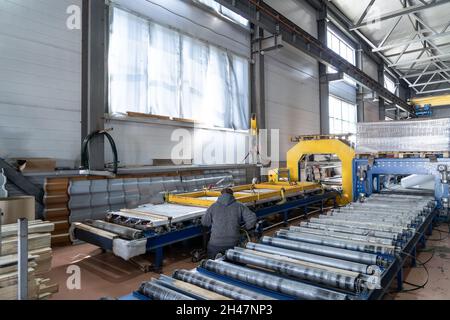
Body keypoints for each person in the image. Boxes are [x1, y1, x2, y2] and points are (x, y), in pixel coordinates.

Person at [201, 188, 257, 259]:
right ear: (232, 195)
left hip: (215, 245)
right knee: (233, 266)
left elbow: (205, 222)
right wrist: (244, 228)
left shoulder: (213, 206)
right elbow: (252, 219)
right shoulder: (239, 205)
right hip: (233, 244)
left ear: (221, 195)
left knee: (212, 266)